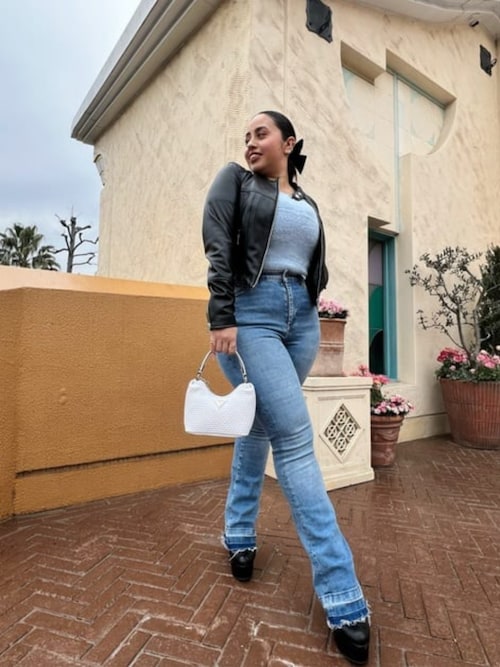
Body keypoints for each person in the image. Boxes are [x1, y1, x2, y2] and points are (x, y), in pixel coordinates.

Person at [202, 110, 370, 665]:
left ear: (287, 142)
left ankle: (237, 533)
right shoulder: (234, 181)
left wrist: (314, 306)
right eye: (246, 134)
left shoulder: (307, 202)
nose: (250, 142)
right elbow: (219, 248)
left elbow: (311, 262)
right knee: (295, 438)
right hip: (250, 317)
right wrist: (221, 316)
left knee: (259, 428)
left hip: (301, 321)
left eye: (261, 133)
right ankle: (343, 593)